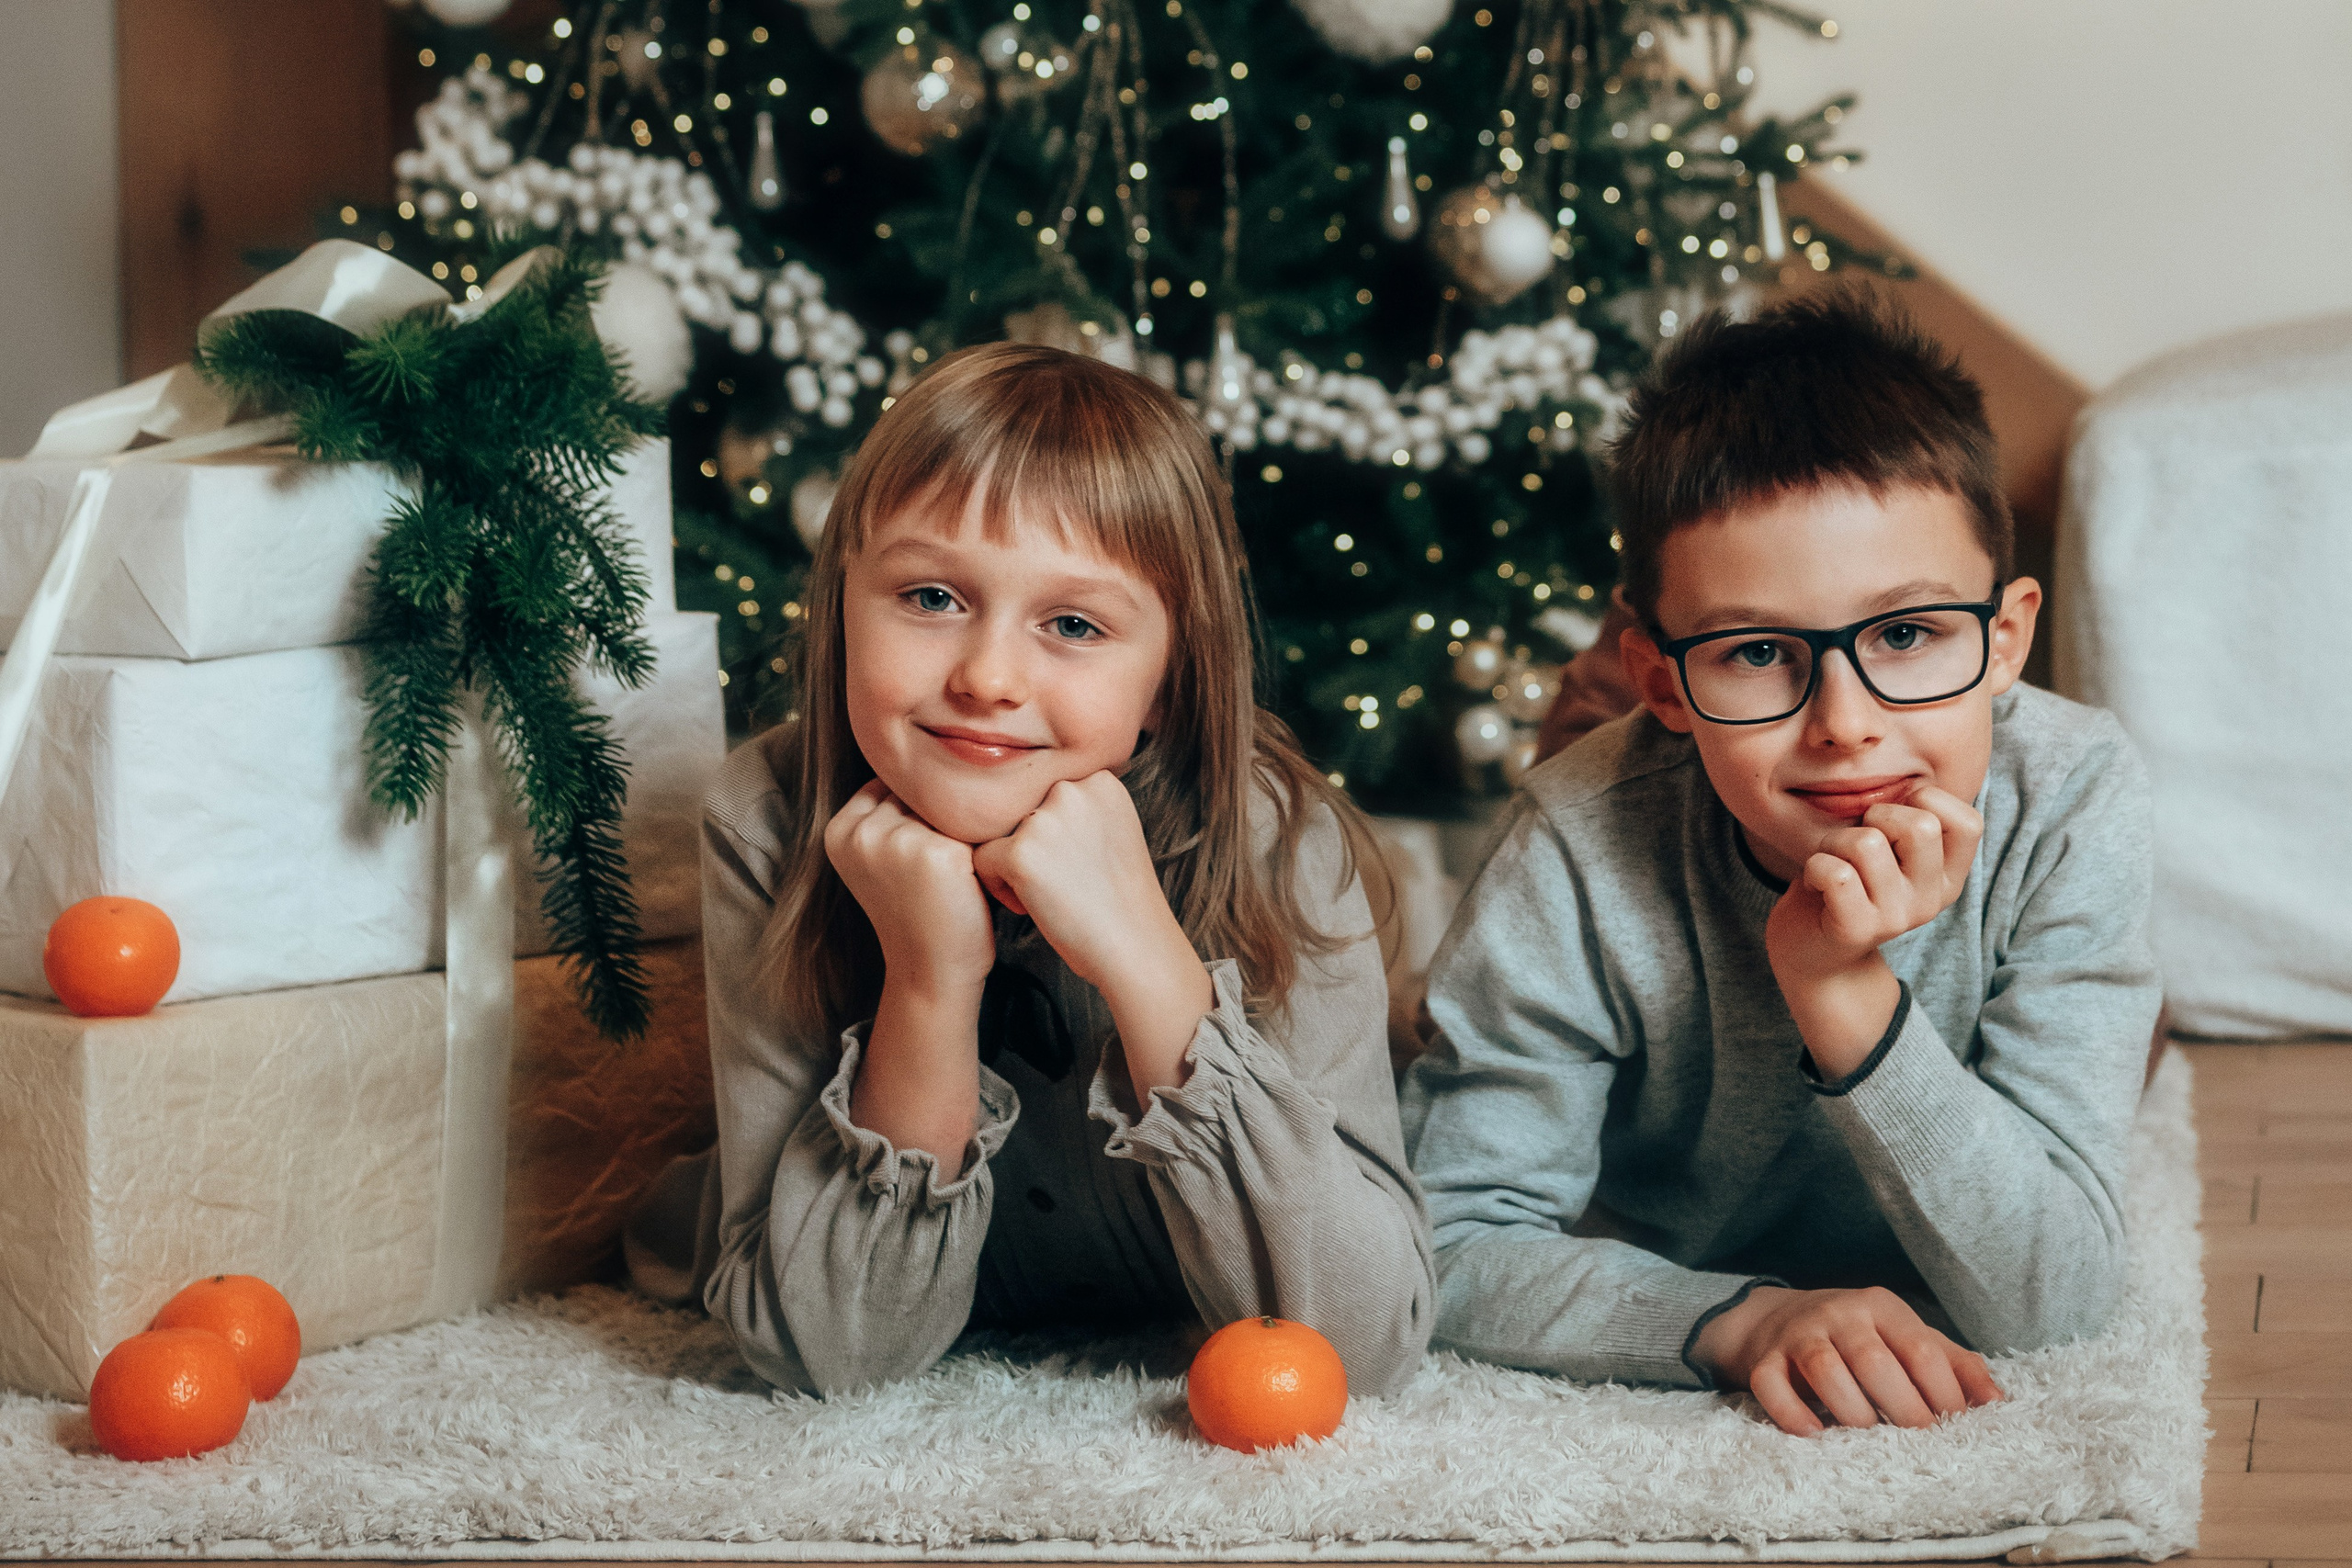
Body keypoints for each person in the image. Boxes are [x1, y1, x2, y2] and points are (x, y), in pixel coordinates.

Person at [1399, 291, 2160, 1437]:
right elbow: (1446, 1247)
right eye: (1758, 651)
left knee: (2114, 1072)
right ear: (1662, 679)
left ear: (2005, 639)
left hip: (1955, 1023)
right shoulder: (1571, 835)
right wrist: (1740, 1321)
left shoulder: (2073, 792)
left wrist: (1843, 990)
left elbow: (2051, 1300)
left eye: (1907, 635)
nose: (1846, 723)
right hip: (1671, 1158)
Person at [625, 341, 1434, 1400]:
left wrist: (1145, 955)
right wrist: (926, 980)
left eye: (1072, 624)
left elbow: (1358, 1352)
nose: (989, 678)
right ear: (840, 608)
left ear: (1168, 684)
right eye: (929, 598)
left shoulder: (1276, 833)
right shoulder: (767, 817)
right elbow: (824, 1353)